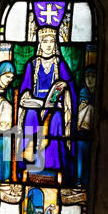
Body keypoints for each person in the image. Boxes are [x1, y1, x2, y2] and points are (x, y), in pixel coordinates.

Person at [18, 27, 77, 185]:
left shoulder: (60, 64)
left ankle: (52, 166)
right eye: (45, 41)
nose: (49, 45)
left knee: (56, 119)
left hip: (54, 106)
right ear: (40, 43)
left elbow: (70, 87)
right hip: (35, 106)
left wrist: (63, 86)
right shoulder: (32, 64)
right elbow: (25, 87)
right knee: (30, 116)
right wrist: (27, 96)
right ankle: (30, 162)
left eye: (52, 41)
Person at [76, 65, 96, 187]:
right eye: (87, 76)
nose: (89, 80)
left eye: (93, 76)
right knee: (80, 157)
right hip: (80, 133)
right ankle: (78, 180)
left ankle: (86, 180)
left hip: (93, 134)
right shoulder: (82, 93)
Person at [0, 61, 15, 181]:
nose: (9, 80)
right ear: (0, 74)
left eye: (12, 77)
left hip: (7, 131)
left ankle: (5, 178)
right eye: (7, 76)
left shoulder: (10, 93)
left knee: (6, 156)